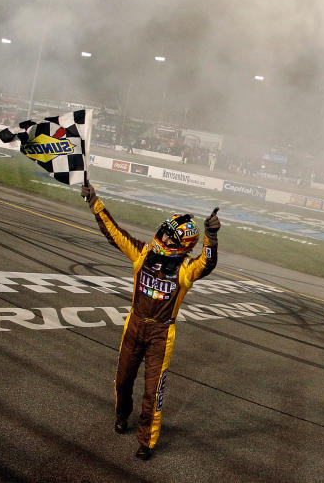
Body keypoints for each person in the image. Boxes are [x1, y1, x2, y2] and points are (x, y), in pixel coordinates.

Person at [81, 178, 221, 461]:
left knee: (152, 392)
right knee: (122, 382)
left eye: (173, 238)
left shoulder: (186, 269)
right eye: (165, 233)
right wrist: (94, 201)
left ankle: (147, 441)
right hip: (134, 325)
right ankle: (121, 416)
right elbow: (115, 234)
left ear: (185, 244)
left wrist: (212, 237)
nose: (166, 239)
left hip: (161, 335)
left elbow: (207, 263)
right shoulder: (142, 253)